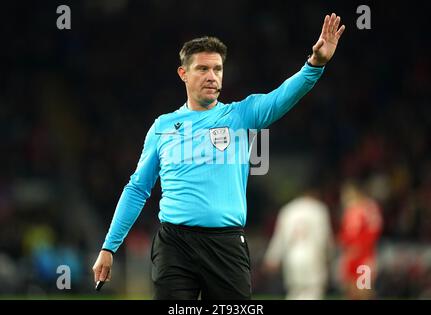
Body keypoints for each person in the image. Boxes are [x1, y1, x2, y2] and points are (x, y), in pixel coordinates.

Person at [92, 13, 345, 300]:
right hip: (174, 245)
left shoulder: (240, 115)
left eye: (217, 69)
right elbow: (137, 189)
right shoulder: (163, 127)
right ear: (183, 74)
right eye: (202, 69)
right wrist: (109, 247)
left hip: (226, 244)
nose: (212, 76)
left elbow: (281, 97)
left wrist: (314, 65)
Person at [262, 188, 334, 300]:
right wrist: (330, 256)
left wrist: (272, 257)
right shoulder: (319, 209)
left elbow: (280, 238)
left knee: (294, 293)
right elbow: (323, 237)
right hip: (313, 256)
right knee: (313, 292)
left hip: (292, 257)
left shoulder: (287, 209)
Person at [338, 180, 383, 299]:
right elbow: (345, 235)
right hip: (350, 257)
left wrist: (360, 248)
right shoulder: (349, 211)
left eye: (347, 194)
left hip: (364, 257)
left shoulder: (369, 208)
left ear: (357, 193)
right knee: (351, 291)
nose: (344, 198)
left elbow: (374, 231)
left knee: (364, 290)